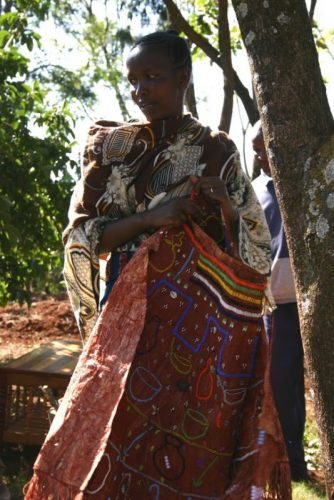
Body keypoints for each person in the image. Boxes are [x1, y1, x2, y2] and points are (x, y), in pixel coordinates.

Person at [25, 32, 291, 499]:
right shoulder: (113, 150)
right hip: (127, 323)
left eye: (153, 77)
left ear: (184, 78)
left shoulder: (218, 150)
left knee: (189, 440)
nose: (140, 91)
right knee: (111, 429)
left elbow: (253, 252)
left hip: (199, 333)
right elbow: (84, 236)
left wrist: (226, 208)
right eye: (133, 81)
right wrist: (151, 218)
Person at [251, 122, 309, 482]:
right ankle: (288, 464)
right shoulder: (257, 191)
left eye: (264, 149)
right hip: (274, 305)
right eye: (255, 150)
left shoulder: (305, 185)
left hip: (306, 302)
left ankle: (294, 462)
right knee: (279, 385)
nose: (259, 157)